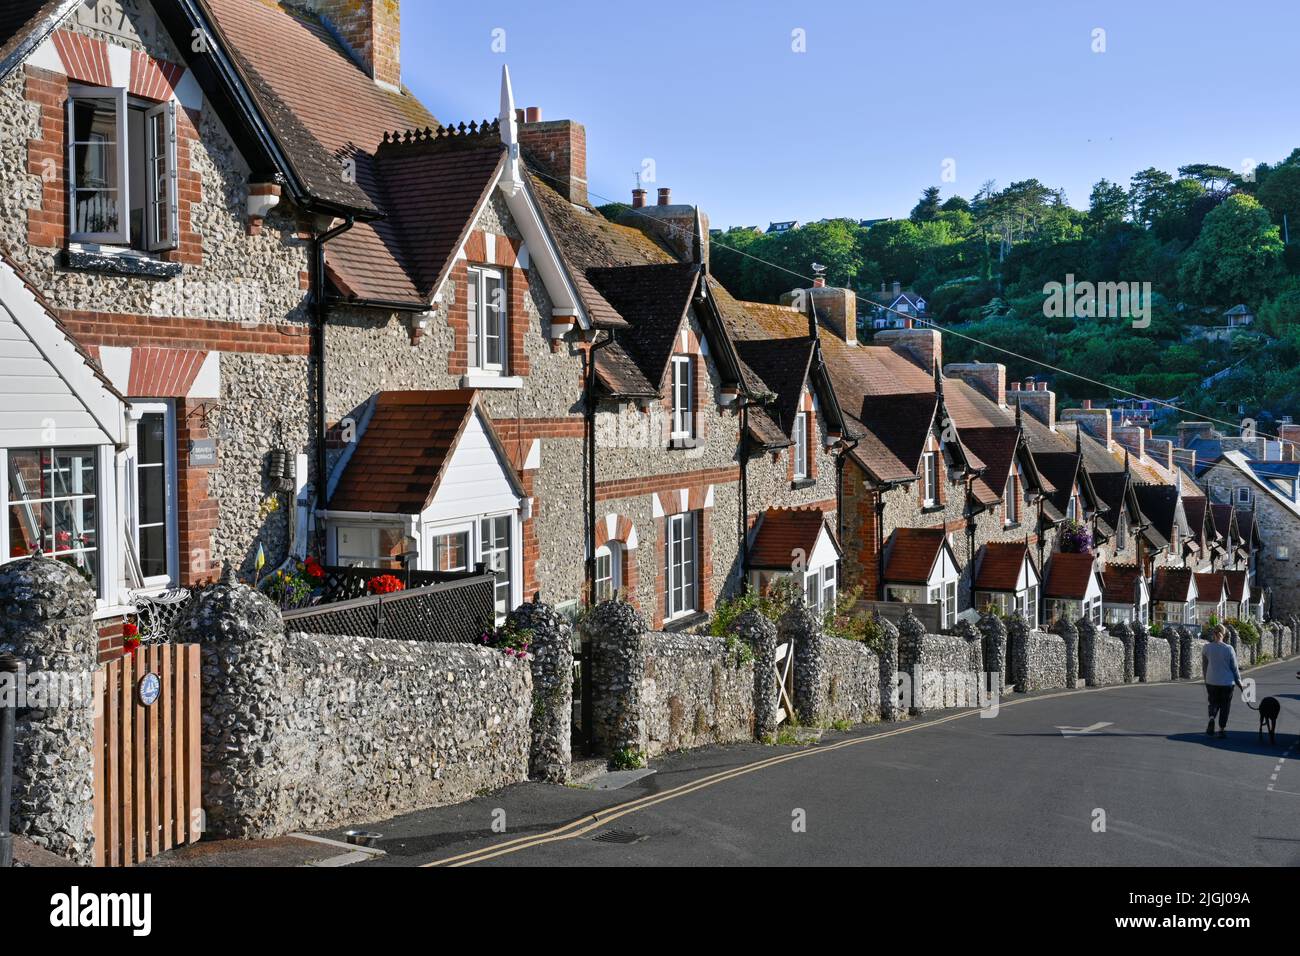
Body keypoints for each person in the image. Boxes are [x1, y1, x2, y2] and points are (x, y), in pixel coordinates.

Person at [1201, 624, 1243, 739]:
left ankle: (1211, 718)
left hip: (1211, 680)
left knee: (1213, 702)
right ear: (1224, 635)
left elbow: (1204, 666)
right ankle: (1221, 729)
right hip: (1227, 683)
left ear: (1213, 634)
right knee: (1225, 706)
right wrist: (1239, 682)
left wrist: (1206, 679)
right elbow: (1234, 668)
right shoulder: (1229, 649)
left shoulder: (1206, 648)